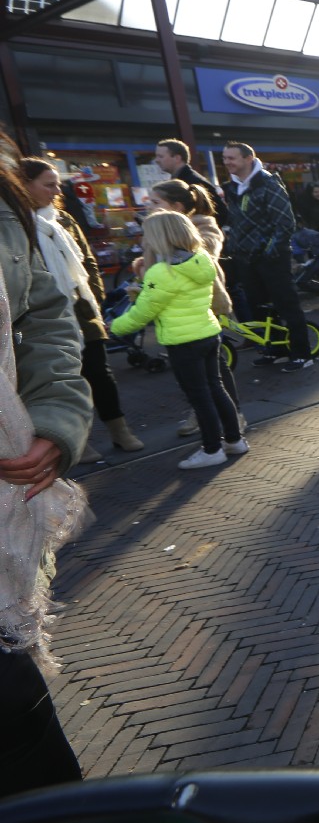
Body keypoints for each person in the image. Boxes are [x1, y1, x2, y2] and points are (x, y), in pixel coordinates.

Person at [0, 141, 92, 802]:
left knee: (21, 726)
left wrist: (56, 415)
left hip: (5, 495)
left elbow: (45, 312)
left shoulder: (7, 202)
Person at [16, 158, 143, 455]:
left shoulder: (63, 220)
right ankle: (75, 440)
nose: (57, 191)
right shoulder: (14, 225)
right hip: (41, 317)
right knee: (60, 379)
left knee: (100, 372)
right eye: (49, 185)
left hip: (81, 309)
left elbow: (87, 262)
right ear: (24, 185)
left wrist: (94, 298)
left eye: (57, 184)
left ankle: (119, 430)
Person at [109, 212, 246, 469]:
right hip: (207, 333)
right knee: (216, 388)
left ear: (160, 237)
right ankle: (234, 439)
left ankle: (212, 449)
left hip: (182, 341)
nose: (144, 241)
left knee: (199, 396)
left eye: (148, 235)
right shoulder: (201, 260)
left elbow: (143, 313)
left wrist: (113, 327)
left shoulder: (161, 272)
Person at [148, 178, 244, 440]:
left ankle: (231, 418)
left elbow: (204, 254)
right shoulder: (155, 228)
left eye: (156, 202)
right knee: (193, 371)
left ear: (176, 206)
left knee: (214, 367)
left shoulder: (201, 226)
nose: (149, 207)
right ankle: (206, 413)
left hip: (200, 305)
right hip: (172, 309)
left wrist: (171, 239)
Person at [221, 141, 314, 370]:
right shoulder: (232, 187)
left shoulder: (268, 183)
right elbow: (237, 222)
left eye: (231, 158)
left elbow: (285, 223)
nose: (226, 162)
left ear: (248, 159)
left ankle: (302, 354)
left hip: (271, 258)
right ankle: (275, 350)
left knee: (286, 304)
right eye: (224, 158)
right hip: (245, 258)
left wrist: (268, 252)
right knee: (259, 306)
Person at [153, 137, 227, 219]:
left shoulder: (194, 182)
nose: (156, 160)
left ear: (177, 158)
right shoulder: (183, 180)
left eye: (160, 156)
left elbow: (220, 214)